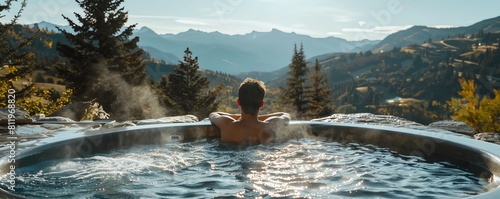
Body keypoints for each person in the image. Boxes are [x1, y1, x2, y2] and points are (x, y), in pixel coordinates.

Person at [209, 78, 290, 144]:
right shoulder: (269, 125)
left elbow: (213, 114)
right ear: (262, 104)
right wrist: (261, 118)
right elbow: (286, 115)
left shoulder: (226, 123)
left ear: (238, 102)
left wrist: (237, 117)